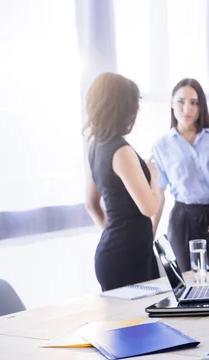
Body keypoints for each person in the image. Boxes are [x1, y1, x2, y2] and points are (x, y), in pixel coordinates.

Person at [152, 78, 209, 269]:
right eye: (181, 101)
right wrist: (150, 234)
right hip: (182, 219)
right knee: (189, 283)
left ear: (202, 106)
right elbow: (159, 195)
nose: (187, 109)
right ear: (171, 102)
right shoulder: (161, 146)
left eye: (194, 103)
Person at [83, 72, 161, 292]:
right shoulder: (122, 151)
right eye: (134, 104)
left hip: (113, 253)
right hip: (129, 256)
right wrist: (152, 176)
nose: (137, 110)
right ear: (120, 108)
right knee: (141, 323)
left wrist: (113, 233)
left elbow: (90, 204)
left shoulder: (96, 145)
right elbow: (149, 208)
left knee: (127, 325)